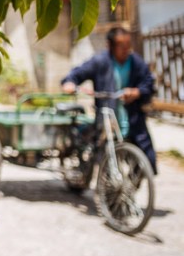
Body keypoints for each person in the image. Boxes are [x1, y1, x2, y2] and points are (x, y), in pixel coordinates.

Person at [61, 26, 157, 173]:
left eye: (128, 45)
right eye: (121, 46)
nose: (126, 49)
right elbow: (77, 73)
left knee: (144, 159)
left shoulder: (136, 63)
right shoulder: (100, 61)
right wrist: (70, 83)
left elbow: (148, 83)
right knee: (104, 155)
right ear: (110, 45)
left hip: (132, 119)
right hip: (107, 119)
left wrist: (137, 92)